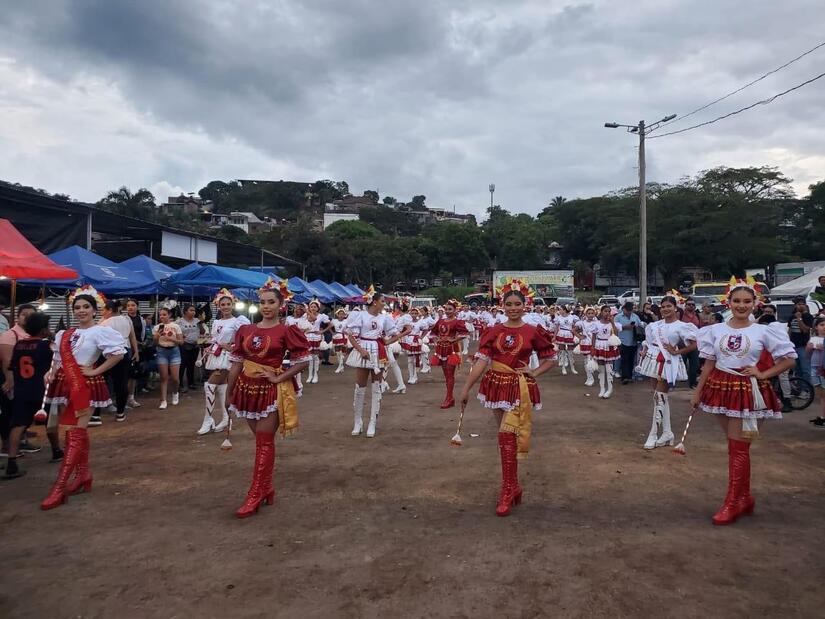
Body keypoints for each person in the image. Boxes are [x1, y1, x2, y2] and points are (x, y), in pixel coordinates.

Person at [691, 282, 797, 525]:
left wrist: (763, 373)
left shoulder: (763, 331)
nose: (741, 305)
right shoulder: (715, 330)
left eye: (747, 301)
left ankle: (733, 502)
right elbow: (708, 363)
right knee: (737, 447)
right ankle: (744, 498)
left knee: (738, 448)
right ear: (728, 302)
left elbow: (789, 359)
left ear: (755, 304)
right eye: (736, 301)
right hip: (720, 388)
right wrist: (697, 392)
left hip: (748, 391)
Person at [458, 279, 557, 517]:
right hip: (496, 384)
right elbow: (482, 361)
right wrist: (466, 387)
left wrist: (534, 372)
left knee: (506, 435)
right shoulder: (494, 331)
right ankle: (513, 486)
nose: (513, 308)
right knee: (505, 438)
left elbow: (551, 358)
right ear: (503, 306)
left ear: (525, 305)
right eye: (509, 304)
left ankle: (508, 489)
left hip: (519, 387)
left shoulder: (533, 331)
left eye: (517, 304)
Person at [226, 278, 310, 518]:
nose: (266, 306)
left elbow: (303, 360)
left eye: (271, 302)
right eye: (262, 302)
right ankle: (266, 488)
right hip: (246, 390)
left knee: (264, 442)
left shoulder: (286, 330)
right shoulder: (245, 330)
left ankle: (255, 493)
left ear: (281, 304)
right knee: (262, 442)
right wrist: (229, 393)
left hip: (271, 392)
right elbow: (236, 363)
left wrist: (279, 377)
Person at [41, 285, 126, 510]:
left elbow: (118, 354)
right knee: (72, 432)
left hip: (84, 385)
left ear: (94, 309)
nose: (81, 311)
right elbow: (57, 360)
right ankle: (83, 475)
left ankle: (60, 487)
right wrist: (50, 372)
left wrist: (96, 370)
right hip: (63, 384)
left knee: (75, 433)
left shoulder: (100, 332)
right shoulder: (65, 334)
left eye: (85, 307)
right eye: (77, 307)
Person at [637, 296, 698, 449]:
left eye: (669, 306)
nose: (665, 309)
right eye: (663, 306)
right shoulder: (654, 325)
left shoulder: (682, 326)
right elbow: (648, 342)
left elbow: (694, 344)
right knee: (659, 398)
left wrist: (677, 352)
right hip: (653, 360)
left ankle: (653, 434)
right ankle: (667, 433)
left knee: (660, 397)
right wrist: (644, 351)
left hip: (668, 362)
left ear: (675, 308)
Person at [2, 312, 54, 479]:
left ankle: (11, 463)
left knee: (18, 425)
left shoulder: (19, 344)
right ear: (43, 329)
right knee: (50, 422)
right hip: (42, 391)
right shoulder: (46, 346)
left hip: (22, 391)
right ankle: (57, 451)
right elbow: (54, 365)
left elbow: (12, 366)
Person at [345, 288, 400, 437]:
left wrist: (387, 341)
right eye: (382, 301)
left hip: (378, 351)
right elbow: (351, 335)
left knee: (377, 387)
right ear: (374, 302)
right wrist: (361, 350)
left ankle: (372, 422)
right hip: (363, 349)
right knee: (360, 388)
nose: (384, 304)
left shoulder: (385, 317)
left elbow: (394, 334)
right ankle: (358, 422)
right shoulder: (360, 315)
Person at [198, 290, 250, 436]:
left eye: (228, 304)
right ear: (218, 306)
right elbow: (216, 339)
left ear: (232, 305)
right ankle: (226, 419)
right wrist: (210, 346)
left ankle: (208, 419)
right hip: (216, 355)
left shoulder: (239, 321)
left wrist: (232, 347)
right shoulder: (216, 322)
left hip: (229, 357)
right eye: (223, 304)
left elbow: (245, 339)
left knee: (210, 385)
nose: (226, 307)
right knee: (222, 386)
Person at [0, 304, 37, 456]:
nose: (27, 317)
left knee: (23, 411)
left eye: (31, 315)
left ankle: (20, 440)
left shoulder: (33, 334)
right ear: (18, 317)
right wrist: (9, 380)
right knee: (9, 411)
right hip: (12, 379)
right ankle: (6, 444)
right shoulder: (10, 335)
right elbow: (6, 361)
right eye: (24, 314)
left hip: (27, 380)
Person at [100, 300, 139, 423]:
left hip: (109, 353)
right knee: (122, 382)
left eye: (103, 309)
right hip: (125, 351)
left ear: (110, 310)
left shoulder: (104, 323)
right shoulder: (126, 319)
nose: (102, 312)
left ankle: (104, 407)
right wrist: (136, 351)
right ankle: (120, 412)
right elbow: (132, 336)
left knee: (104, 380)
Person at [430, 299, 469, 409]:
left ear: (455, 310)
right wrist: (436, 340)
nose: (447, 311)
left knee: (449, 374)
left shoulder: (457, 322)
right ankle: (449, 397)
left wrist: (454, 340)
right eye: (446, 309)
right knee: (446, 375)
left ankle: (449, 398)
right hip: (441, 349)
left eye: (450, 309)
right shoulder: (441, 321)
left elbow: (465, 333)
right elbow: (433, 332)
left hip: (451, 350)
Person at [152, 307, 183, 410]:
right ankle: (163, 400)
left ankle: (175, 392)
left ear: (169, 315)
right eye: (160, 315)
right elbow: (154, 343)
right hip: (161, 351)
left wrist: (171, 339)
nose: (162, 316)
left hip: (174, 351)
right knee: (163, 377)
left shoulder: (175, 326)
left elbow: (181, 342)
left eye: (164, 314)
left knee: (175, 378)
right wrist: (156, 337)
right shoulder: (157, 327)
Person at [591, 305, 620, 398]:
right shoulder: (596, 324)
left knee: (609, 368)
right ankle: (602, 388)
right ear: (601, 312)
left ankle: (610, 389)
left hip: (609, 346)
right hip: (599, 346)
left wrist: (612, 323)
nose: (607, 313)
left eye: (608, 311)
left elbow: (616, 334)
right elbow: (594, 336)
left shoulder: (612, 323)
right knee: (601, 368)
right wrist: (593, 347)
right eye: (605, 311)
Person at [124, 299, 145, 408]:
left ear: (137, 306)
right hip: (127, 348)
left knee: (134, 375)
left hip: (138, 350)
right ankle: (124, 398)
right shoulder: (124, 319)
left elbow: (143, 333)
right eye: (128, 305)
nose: (130, 307)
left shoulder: (141, 319)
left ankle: (131, 398)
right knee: (126, 374)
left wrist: (142, 343)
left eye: (133, 305)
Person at [303, 299, 331, 384]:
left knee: (315, 356)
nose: (313, 308)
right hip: (308, 337)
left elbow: (331, 324)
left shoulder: (321, 316)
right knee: (309, 357)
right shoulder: (305, 315)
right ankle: (310, 375)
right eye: (311, 306)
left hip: (316, 337)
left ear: (318, 308)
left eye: (315, 307)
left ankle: (315, 374)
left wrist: (322, 331)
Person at [615, 302, 643, 385]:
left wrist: (636, 326)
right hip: (622, 341)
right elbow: (614, 328)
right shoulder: (618, 317)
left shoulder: (635, 316)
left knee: (631, 360)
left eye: (630, 310)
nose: (629, 312)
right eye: (627, 310)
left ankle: (630, 376)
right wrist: (624, 327)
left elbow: (640, 325)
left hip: (633, 341)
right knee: (624, 359)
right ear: (623, 309)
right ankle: (624, 377)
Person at [176, 304, 203, 392]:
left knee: (191, 365)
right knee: (182, 365)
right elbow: (174, 332)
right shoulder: (179, 322)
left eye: (194, 310)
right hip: (183, 346)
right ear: (185, 312)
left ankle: (191, 383)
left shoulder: (197, 321)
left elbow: (202, 331)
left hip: (195, 346)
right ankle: (179, 384)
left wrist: (201, 323)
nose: (193, 312)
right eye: (191, 310)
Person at [788, 296, 813, 378]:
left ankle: (807, 386)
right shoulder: (792, 317)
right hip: (793, 347)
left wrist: (799, 318)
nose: (799, 306)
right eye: (797, 304)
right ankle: (800, 384)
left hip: (803, 346)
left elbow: (805, 330)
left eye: (801, 304)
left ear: (805, 305)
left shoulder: (808, 316)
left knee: (805, 369)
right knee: (797, 369)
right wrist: (788, 343)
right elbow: (790, 331)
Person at [806, 318, 825, 428]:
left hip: (823, 369)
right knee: (821, 394)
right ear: (816, 327)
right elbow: (808, 355)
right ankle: (822, 416)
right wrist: (809, 348)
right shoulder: (813, 338)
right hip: (814, 367)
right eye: (822, 324)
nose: (824, 327)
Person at [680, 298, 702, 388]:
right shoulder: (680, 314)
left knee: (695, 364)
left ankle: (692, 383)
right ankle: (677, 382)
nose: (691, 306)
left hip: (694, 344)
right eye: (689, 304)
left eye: (693, 304)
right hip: (683, 344)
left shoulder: (697, 315)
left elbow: (700, 328)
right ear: (685, 305)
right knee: (682, 363)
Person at [575, 306, 598, 386]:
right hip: (585, 343)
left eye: (592, 313)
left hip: (593, 343)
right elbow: (574, 330)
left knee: (589, 360)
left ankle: (591, 378)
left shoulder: (597, 323)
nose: (591, 315)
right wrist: (579, 336)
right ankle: (589, 377)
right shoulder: (581, 323)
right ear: (586, 314)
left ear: (594, 314)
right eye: (589, 313)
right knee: (586, 361)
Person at [553, 305, 578, 376]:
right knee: (562, 352)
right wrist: (554, 336)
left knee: (570, 352)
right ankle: (563, 368)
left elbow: (576, 326)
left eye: (561, 309)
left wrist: (575, 332)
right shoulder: (558, 318)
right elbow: (556, 328)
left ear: (564, 310)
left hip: (569, 334)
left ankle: (572, 367)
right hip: (561, 334)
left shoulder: (572, 317)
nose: (559, 311)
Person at [330, 308, 349, 374]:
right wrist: (332, 332)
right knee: (338, 352)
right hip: (336, 336)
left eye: (342, 314)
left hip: (343, 336)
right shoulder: (334, 321)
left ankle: (339, 366)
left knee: (342, 352)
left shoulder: (346, 321)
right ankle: (341, 366)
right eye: (340, 314)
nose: (341, 315)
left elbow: (349, 328)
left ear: (344, 315)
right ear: (337, 315)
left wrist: (346, 331)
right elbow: (329, 327)